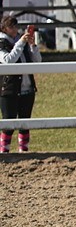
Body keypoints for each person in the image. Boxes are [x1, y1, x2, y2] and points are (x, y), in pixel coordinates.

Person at [0, 16, 41, 153]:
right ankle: (4, 152)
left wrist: (32, 45)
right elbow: (8, 61)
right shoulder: (2, 43)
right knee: (8, 123)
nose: (15, 30)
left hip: (27, 88)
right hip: (9, 89)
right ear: (4, 28)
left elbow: (37, 62)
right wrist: (21, 43)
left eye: (16, 27)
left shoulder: (21, 41)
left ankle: (24, 151)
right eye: (12, 27)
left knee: (25, 123)